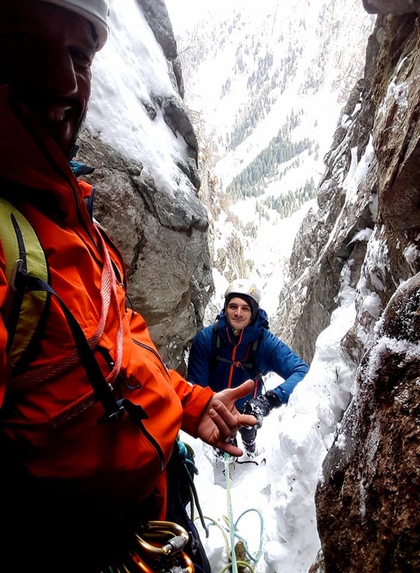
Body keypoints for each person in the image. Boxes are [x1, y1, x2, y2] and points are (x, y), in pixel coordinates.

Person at [0, 2, 257, 572]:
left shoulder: (69, 213)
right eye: (25, 41)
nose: (66, 80)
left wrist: (189, 402)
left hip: (154, 523)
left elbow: (120, 351)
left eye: (80, 55)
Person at [188, 278, 309, 458]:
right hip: (216, 410)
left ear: (253, 312)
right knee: (223, 444)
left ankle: (250, 447)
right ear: (225, 308)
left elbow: (301, 371)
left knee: (248, 430)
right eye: (233, 306)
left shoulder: (265, 343)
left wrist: (269, 400)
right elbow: (196, 387)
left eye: (245, 308)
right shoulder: (206, 340)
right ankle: (223, 457)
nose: (238, 313)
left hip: (248, 409)